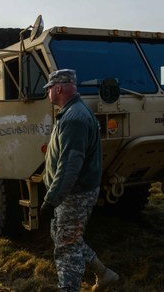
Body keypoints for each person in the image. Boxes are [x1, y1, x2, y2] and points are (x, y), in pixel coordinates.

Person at [40, 69, 119, 291]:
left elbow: (69, 168)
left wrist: (52, 200)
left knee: (66, 248)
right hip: (75, 191)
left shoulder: (74, 118)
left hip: (74, 194)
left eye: (49, 89)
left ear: (58, 88)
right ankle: (105, 274)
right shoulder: (74, 112)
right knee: (66, 237)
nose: (48, 93)